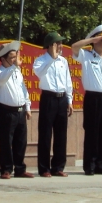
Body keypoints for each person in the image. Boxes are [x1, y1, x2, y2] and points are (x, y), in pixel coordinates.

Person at [72, 25, 102, 176]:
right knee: (92, 132)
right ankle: (90, 165)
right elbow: (74, 47)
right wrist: (91, 39)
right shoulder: (86, 56)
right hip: (93, 98)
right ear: (95, 41)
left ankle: (101, 164)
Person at [33, 32, 73, 177]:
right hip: (48, 98)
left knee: (61, 134)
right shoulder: (40, 60)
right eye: (58, 43)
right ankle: (44, 168)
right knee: (45, 134)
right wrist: (52, 58)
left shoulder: (64, 61)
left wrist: (69, 100)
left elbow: (68, 82)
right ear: (50, 45)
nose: (61, 46)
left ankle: (58, 167)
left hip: (61, 98)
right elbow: (39, 73)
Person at [0, 41, 33, 179]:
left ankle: (20, 168)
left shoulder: (17, 71)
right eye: (11, 57)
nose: (15, 60)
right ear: (3, 59)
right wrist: (14, 67)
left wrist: (27, 106)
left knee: (21, 141)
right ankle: (6, 169)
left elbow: (23, 89)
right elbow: (3, 79)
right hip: (6, 111)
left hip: (20, 111)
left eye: (15, 57)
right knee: (6, 142)